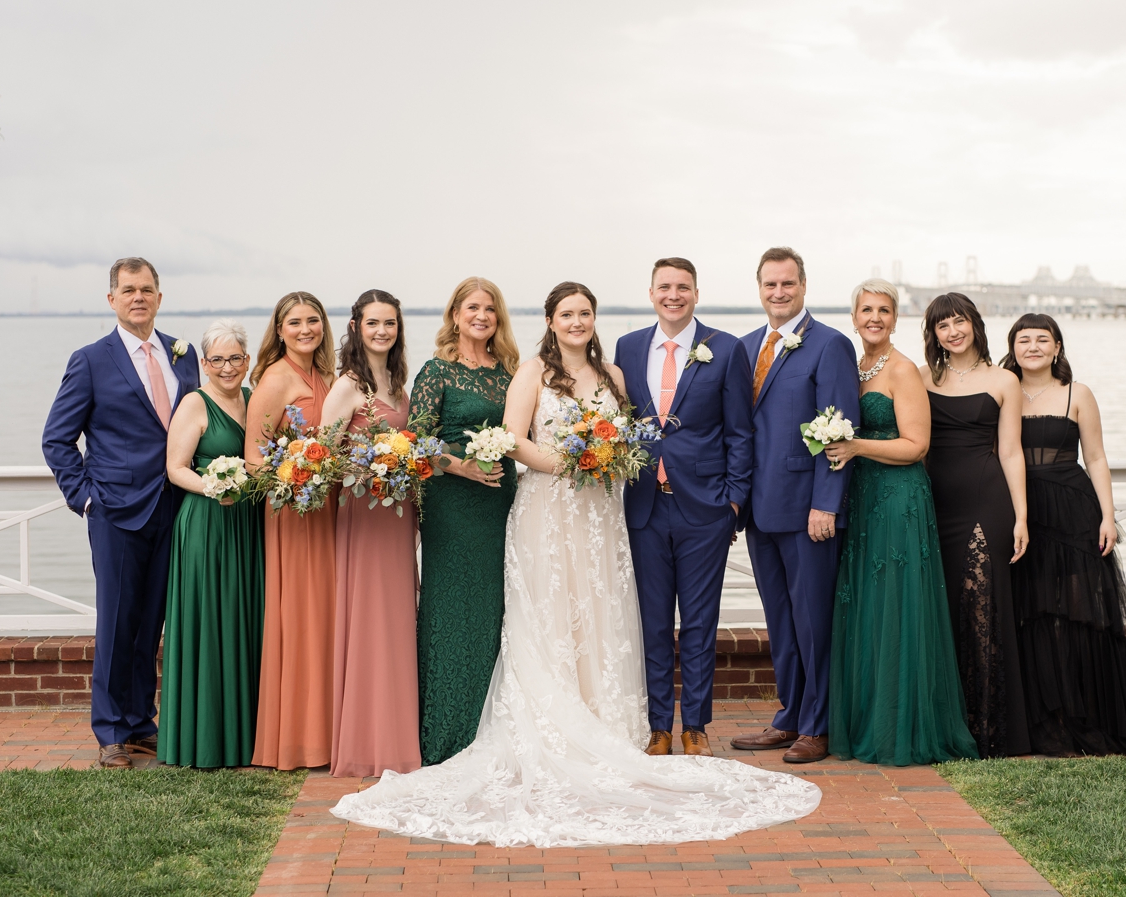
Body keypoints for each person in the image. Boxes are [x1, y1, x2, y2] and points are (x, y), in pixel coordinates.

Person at [329, 282, 819, 847]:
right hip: (547, 506)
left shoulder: (614, 376)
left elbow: (630, 440)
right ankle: (551, 722)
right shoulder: (532, 371)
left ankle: (608, 719)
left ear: (594, 318)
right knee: (550, 611)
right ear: (550, 320)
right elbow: (512, 439)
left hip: (601, 514)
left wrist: (606, 456)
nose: (577, 321)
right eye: (567, 313)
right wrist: (567, 462)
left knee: (600, 608)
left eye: (586, 313)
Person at [42, 257, 200, 769]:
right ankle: (109, 730)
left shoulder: (184, 355)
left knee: (151, 622)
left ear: (159, 297)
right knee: (115, 623)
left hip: (174, 509)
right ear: (112, 299)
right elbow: (58, 438)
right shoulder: (90, 360)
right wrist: (85, 497)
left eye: (147, 289)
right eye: (128, 290)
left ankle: (139, 722)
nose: (139, 297)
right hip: (113, 511)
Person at [822, 280, 978, 766]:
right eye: (866, 309)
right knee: (866, 607)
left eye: (884, 310)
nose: (874, 318)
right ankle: (865, 716)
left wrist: (856, 446)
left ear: (895, 319)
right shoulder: (854, 366)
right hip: (864, 498)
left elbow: (917, 445)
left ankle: (901, 727)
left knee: (897, 606)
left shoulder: (904, 370)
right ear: (853, 317)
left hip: (898, 499)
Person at [612, 257, 753, 757]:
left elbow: (739, 431)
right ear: (651, 293)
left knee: (699, 621)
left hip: (705, 509)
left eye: (683, 287)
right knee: (651, 622)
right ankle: (658, 727)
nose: (674, 295)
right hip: (645, 507)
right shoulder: (627, 348)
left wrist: (733, 501)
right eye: (665, 287)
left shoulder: (725, 348)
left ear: (696, 293)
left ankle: (694, 725)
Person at [1004, 313, 1126, 755]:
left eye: (1042, 340)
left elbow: (1095, 459)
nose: (1032, 347)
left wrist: (1108, 517)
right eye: (1023, 340)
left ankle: (1082, 717)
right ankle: (1038, 720)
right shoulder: (1002, 390)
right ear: (1012, 347)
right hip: (1018, 511)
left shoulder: (1078, 393)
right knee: (1026, 614)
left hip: (1072, 512)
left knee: (1075, 614)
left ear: (1057, 347)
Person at [731, 247, 861, 764]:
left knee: (813, 621)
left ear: (803, 286)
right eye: (770, 285)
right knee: (780, 621)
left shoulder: (829, 346)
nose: (778, 293)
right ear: (759, 289)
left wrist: (826, 503)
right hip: (759, 511)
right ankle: (788, 717)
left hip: (809, 511)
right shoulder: (743, 348)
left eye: (788, 284)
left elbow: (839, 430)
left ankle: (818, 724)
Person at [412, 278, 520, 766]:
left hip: (502, 503)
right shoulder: (436, 371)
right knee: (450, 607)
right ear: (455, 314)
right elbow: (417, 440)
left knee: (499, 607)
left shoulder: (510, 372)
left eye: (490, 309)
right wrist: (462, 465)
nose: (482, 316)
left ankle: (495, 726)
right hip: (452, 506)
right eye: (473, 307)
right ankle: (447, 731)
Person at [919, 292, 1031, 758]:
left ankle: (989, 727)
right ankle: (946, 721)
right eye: (943, 325)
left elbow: (1011, 452)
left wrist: (1022, 515)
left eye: (959, 321)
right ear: (934, 334)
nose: (953, 331)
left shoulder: (1004, 380)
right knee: (940, 609)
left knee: (981, 604)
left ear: (974, 324)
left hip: (987, 501)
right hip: (932, 503)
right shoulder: (923, 377)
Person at [323, 290, 423, 777]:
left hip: (399, 512)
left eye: (390, 323)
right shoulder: (348, 386)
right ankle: (368, 741)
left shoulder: (398, 385)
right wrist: (372, 466)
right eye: (373, 323)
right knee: (371, 620)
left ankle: (399, 734)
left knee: (399, 619)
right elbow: (323, 457)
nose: (383, 331)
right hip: (364, 511)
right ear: (356, 326)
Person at [158, 319, 264, 769]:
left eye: (235, 358)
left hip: (247, 523)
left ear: (247, 360)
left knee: (244, 620)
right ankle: (202, 740)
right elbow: (176, 468)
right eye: (217, 359)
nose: (227, 367)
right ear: (204, 363)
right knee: (209, 624)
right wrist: (214, 487)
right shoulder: (194, 404)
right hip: (205, 525)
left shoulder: (253, 398)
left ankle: (248, 737)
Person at [246, 291, 338, 770]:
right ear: (279, 330)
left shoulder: (326, 376)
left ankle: (331, 729)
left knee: (329, 615)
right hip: (296, 512)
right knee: (302, 616)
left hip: (331, 509)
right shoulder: (275, 379)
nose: (306, 329)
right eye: (296, 322)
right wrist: (300, 476)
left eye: (314, 320)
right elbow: (255, 457)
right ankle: (300, 738)